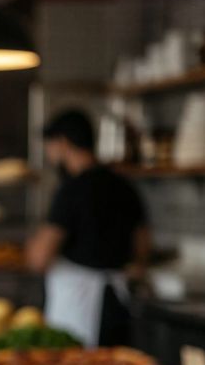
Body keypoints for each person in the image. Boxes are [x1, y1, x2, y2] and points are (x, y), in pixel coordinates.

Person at [27, 110, 150, 347]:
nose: (49, 154)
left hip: (80, 306)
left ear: (62, 143)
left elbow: (39, 258)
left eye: (50, 146)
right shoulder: (123, 186)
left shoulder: (71, 191)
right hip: (117, 303)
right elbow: (143, 245)